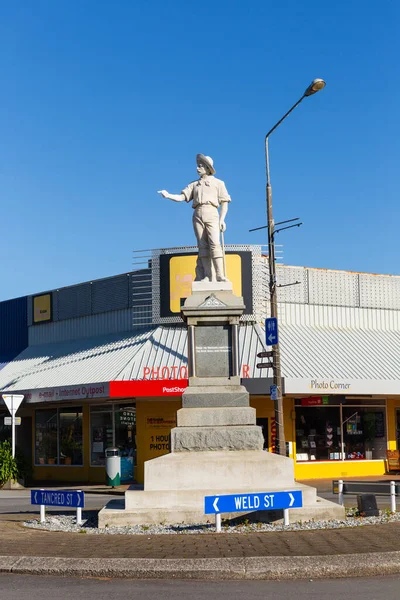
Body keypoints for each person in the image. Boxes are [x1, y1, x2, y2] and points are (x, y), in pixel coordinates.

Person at [158, 154, 231, 282]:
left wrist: (222, 219)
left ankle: (220, 275)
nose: (198, 168)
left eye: (201, 166)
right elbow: (181, 197)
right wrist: (168, 195)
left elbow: (224, 202)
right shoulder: (194, 185)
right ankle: (208, 276)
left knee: (215, 244)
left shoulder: (218, 183)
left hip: (212, 212)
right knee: (202, 246)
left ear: (208, 168)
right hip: (197, 213)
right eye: (198, 166)